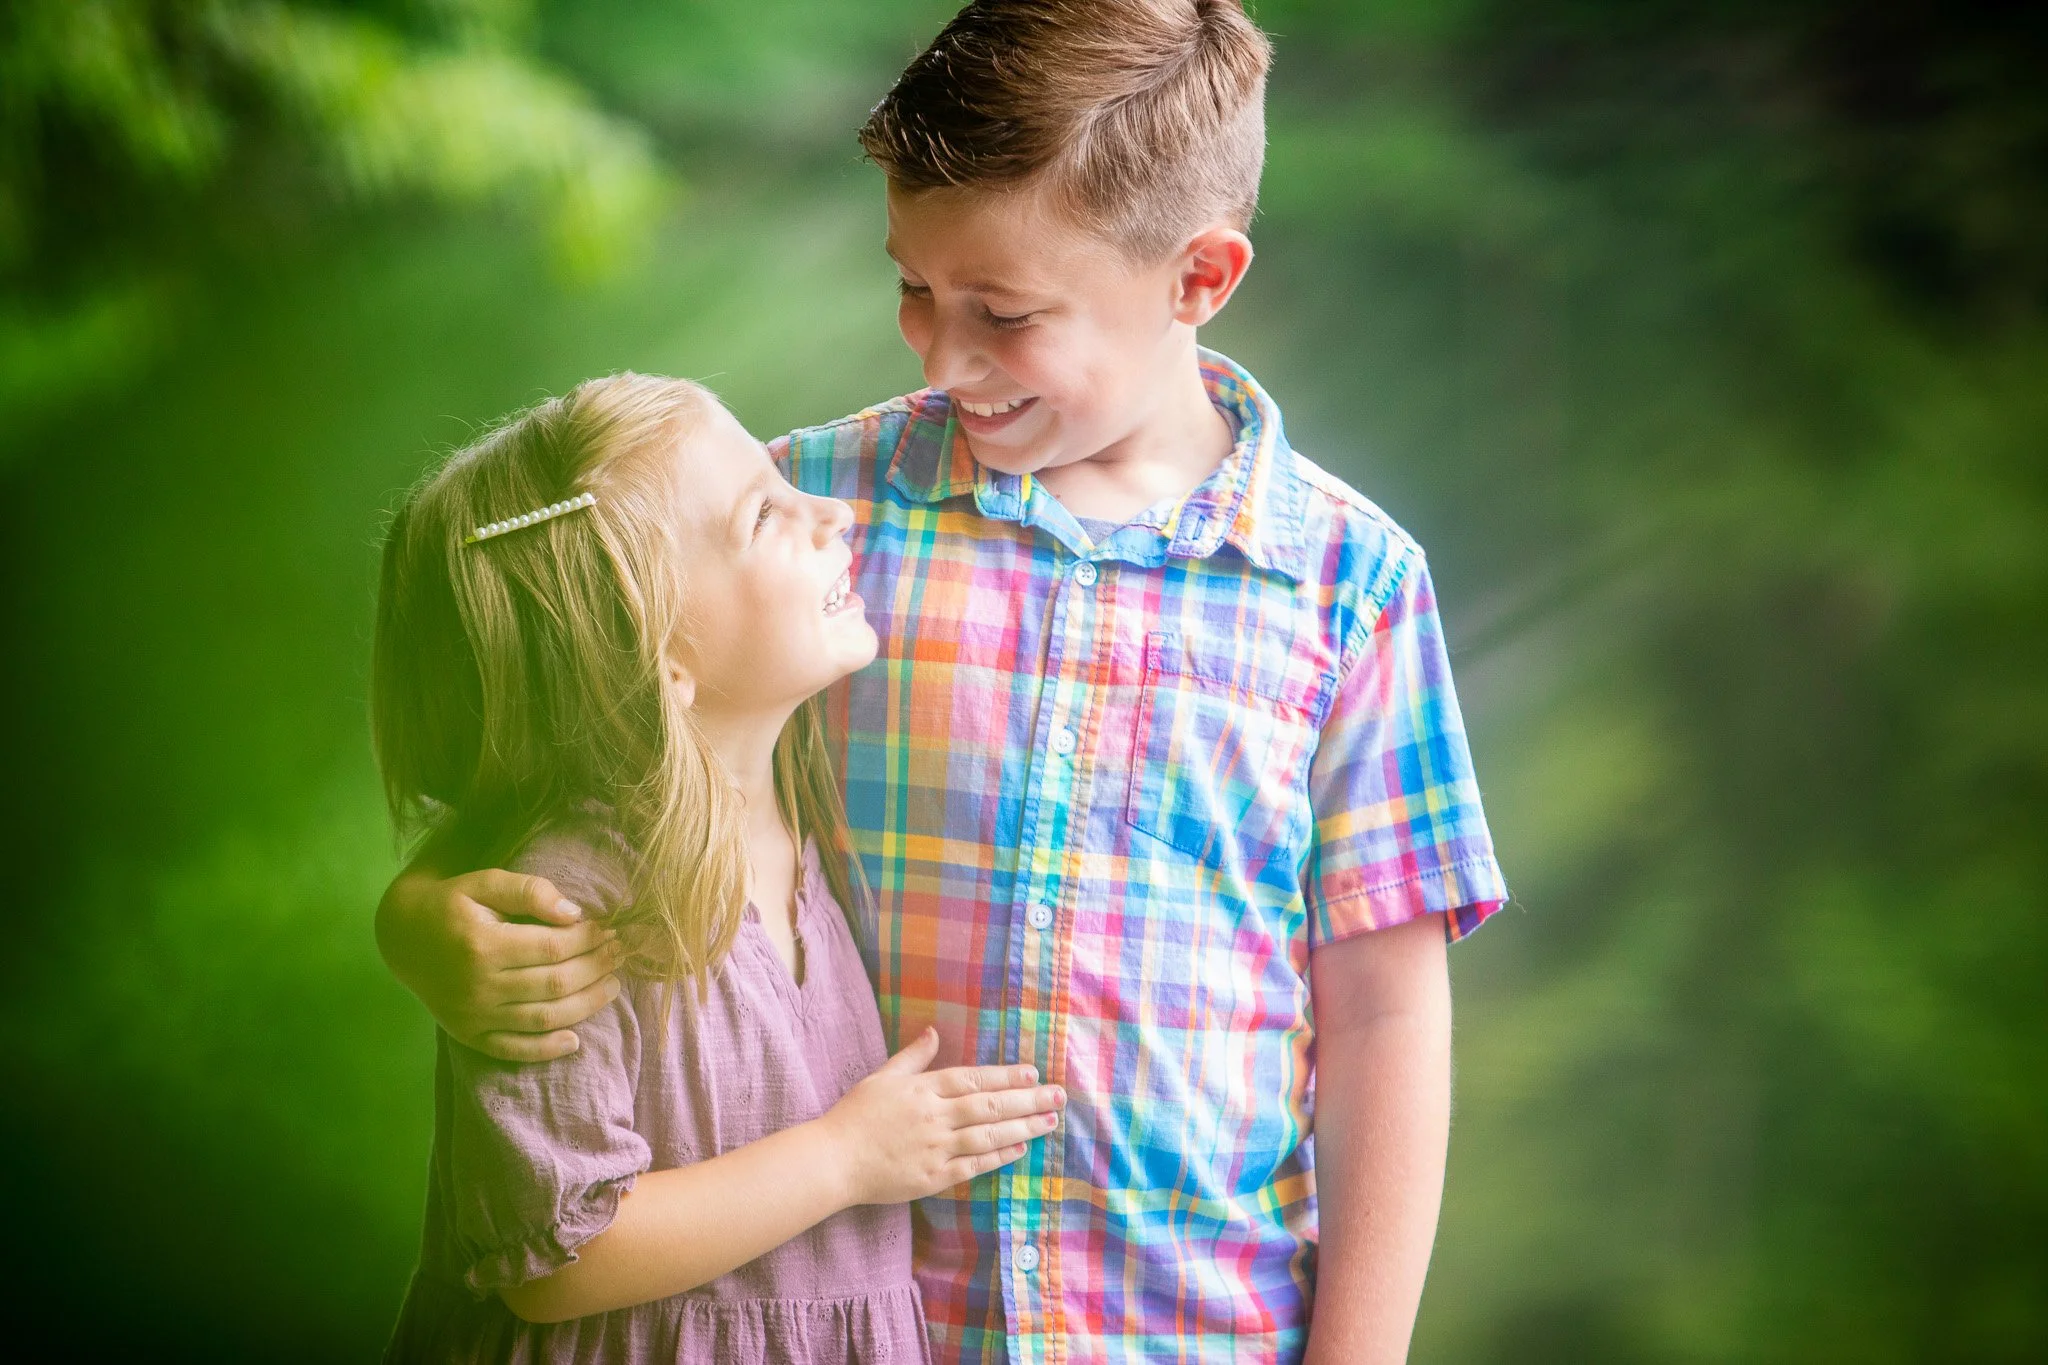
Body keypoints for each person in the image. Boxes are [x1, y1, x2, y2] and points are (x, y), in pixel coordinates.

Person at [378, 4, 1510, 1362]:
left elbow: (1385, 1010)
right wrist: (425, 919)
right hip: (859, 1315)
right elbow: (585, 736)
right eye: (914, 287)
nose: (941, 354)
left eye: (1007, 314)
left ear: (1198, 279)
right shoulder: (822, 510)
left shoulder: (1351, 591)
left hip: (1188, 1330)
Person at [370, 372, 1065, 1362]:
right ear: (660, 659)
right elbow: (558, 1261)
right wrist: (845, 1157)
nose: (830, 511)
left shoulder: (810, 796)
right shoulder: (561, 918)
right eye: (762, 515)